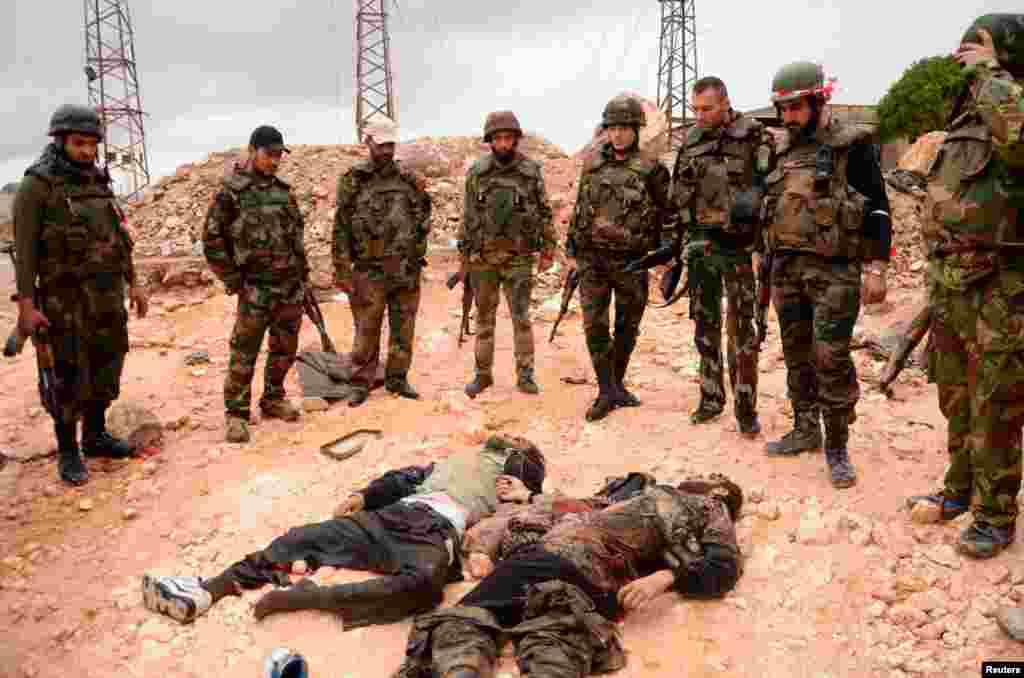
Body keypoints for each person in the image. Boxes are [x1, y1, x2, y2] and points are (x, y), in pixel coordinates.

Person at [141, 435, 546, 627]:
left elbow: (543, 514)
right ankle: (208, 590)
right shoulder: (457, 459)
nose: (510, 436)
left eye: (517, 441)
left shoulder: (520, 472)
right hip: (395, 516)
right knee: (302, 538)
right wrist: (364, 494)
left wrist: (527, 496)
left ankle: (311, 598)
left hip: (433, 533)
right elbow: (406, 477)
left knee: (424, 585)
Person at [390, 473, 743, 678]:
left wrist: (665, 578)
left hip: (561, 559)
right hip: (593, 588)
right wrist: (529, 495)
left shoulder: (707, 505)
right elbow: (583, 507)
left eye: (714, 477)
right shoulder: (650, 499)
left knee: (466, 618)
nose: (703, 476)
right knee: (556, 638)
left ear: (720, 493)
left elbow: (725, 567)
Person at [907, 14, 1024, 560]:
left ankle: (996, 515)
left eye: (977, 48)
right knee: (955, 395)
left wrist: (995, 75)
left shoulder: (1012, 103)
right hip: (951, 279)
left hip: (1002, 284)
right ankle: (959, 489)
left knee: (995, 402)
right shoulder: (965, 115)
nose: (964, 58)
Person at [759, 61, 892, 488]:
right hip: (787, 269)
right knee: (796, 353)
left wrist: (878, 269)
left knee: (830, 357)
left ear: (818, 101)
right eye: (782, 109)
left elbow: (877, 208)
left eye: (795, 108)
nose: (788, 117)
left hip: (834, 271)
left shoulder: (851, 143)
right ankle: (804, 429)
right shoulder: (780, 150)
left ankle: (837, 447)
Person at [13, 104, 148, 485]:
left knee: (108, 362)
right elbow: (25, 253)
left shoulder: (98, 182)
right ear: (60, 141)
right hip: (64, 301)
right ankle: (69, 451)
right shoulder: (37, 186)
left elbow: (120, 239)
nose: (87, 151)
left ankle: (95, 436)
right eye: (78, 143)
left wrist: (134, 284)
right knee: (68, 373)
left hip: (106, 297)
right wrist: (26, 307)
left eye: (91, 144)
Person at [566, 95, 673, 421]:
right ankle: (605, 390)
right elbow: (581, 206)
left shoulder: (652, 169)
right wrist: (572, 248)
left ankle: (616, 385)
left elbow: (667, 215)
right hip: (593, 260)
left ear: (636, 130)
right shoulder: (593, 163)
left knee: (627, 328)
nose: (618, 135)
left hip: (631, 262)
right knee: (594, 327)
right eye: (613, 128)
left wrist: (666, 254)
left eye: (625, 128)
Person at [203, 125, 308, 443]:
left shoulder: (283, 192)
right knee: (245, 350)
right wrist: (233, 279)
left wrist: (302, 275)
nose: (275, 161)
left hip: (288, 285)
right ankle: (236, 413)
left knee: (284, 348)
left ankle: (273, 398)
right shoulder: (231, 192)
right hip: (255, 287)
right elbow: (211, 238)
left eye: (279, 155)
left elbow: (296, 237)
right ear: (252, 151)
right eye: (269, 154)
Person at [672, 76, 765, 435]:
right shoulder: (691, 141)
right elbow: (677, 194)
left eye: (707, 108)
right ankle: (711, 399)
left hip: (738, 248)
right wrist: (676, 244)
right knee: (704, 326)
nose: (700, 116)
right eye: (695, 109)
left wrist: (761, 245)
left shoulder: (753, 134)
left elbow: (769, 190)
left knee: (742, 330)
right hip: (700, 248)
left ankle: (746, 409)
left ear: (726, 102)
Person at [333, 116, 432, 407]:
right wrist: (342, 268)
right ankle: (360, 383)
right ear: (368, 142)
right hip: (369, 271)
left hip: (404, 269)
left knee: (404, 329)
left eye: (390, 144)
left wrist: (416, 253)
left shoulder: (408, 180)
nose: (386, 150)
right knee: (367, 329)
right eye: (381, 144)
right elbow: (341, 226)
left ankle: (397, 379)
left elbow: (423, 217)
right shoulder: (354, 180)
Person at [459, 111, 557, 398]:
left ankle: (525, 376)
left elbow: (544, 212)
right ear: (490, 141)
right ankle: (482, 375)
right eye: (498, 138)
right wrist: (465, 256)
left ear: (516, 140)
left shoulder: (530, 172)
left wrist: (548, 249)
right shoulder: (477, 172)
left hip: (519, 258)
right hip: (484, 259)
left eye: (508, 138)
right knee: (484, 321)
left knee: (521, 319)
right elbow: (468, 215)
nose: (503, 144)